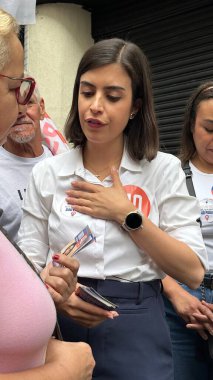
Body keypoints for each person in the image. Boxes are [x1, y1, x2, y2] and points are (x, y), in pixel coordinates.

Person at [18, 37, 208, 380]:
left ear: (135, 104)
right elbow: (29, 263)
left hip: (137, 319)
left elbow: (193, 271)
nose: (95, 106)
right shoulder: (48, 173)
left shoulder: (161, 170)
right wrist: (55, 293)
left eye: (113, 96)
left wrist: (128, 216)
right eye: (87, 92)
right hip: (62, 320)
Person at [0, 7, 95, 379]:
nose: (21, 103)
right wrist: (63, 370)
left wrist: (40, 292)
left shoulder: (62, 163)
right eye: (14, 87)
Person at [163, 82, 213, 380]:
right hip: (179, 301)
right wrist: (175, 293)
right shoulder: (170, 176)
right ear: (191, 126)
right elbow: (148, 244)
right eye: (209, 128)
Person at [0, 85, 53, 241]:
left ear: (41, 108)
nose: (20, 112)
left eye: (28, 102)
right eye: (12, 105)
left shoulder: (62, 160)